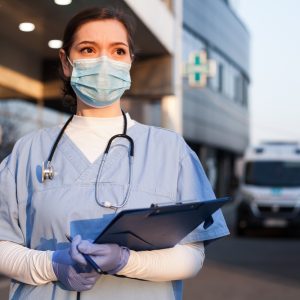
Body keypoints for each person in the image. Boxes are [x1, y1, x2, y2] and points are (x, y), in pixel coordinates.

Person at [0, 6, 229, 300]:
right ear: (66, 62)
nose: (104, 62)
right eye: (88, 49)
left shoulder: (171, 152)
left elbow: (191, 256)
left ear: (130, 62)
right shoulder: (29, 151)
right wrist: (52, 265)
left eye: (118, 51)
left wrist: (126, 261)